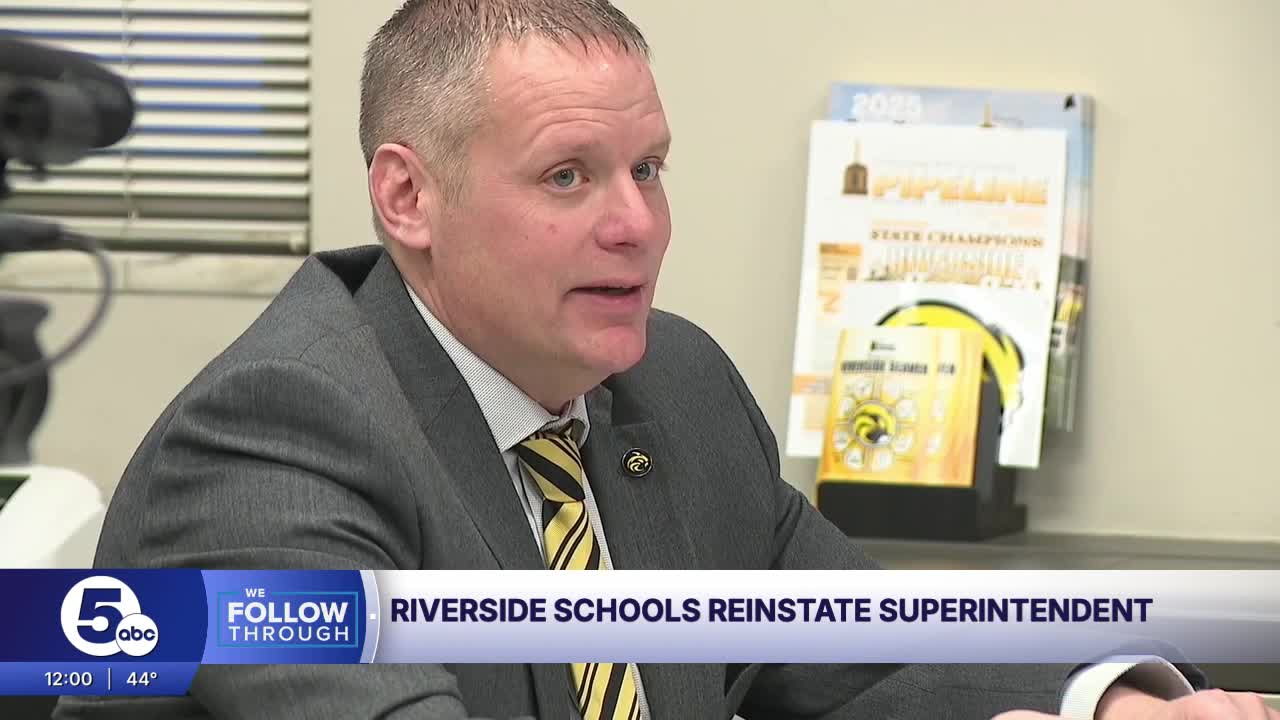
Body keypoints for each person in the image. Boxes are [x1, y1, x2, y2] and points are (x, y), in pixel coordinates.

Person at [56, 1, 1276, 719]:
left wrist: (1109, 700)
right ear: (408, 198)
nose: (637, 224)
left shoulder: (671, 385)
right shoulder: (273, 441)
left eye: (648, 169)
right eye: (567, 176)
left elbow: (871, 645)